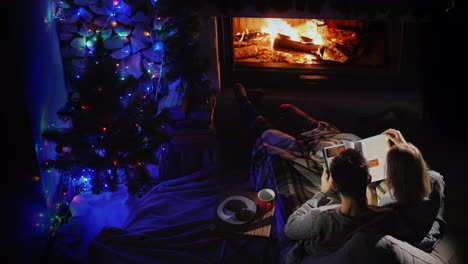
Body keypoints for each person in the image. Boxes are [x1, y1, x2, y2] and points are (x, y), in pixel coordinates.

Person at [282, 148, 389, 263]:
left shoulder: (321, 218)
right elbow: (367, 217)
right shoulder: (383, 216)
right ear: (369, 178)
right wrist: (373, 202)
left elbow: (290, 228)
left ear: (333, 185)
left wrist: (322, 193)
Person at [367, 128, 446, 251]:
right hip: (430, 222)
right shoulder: (436, 180)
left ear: (393, 177)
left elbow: (372, 221)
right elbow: (422, 172)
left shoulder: (389, 205)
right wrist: (405, 147)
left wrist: (371, 194)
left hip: (414, 239)